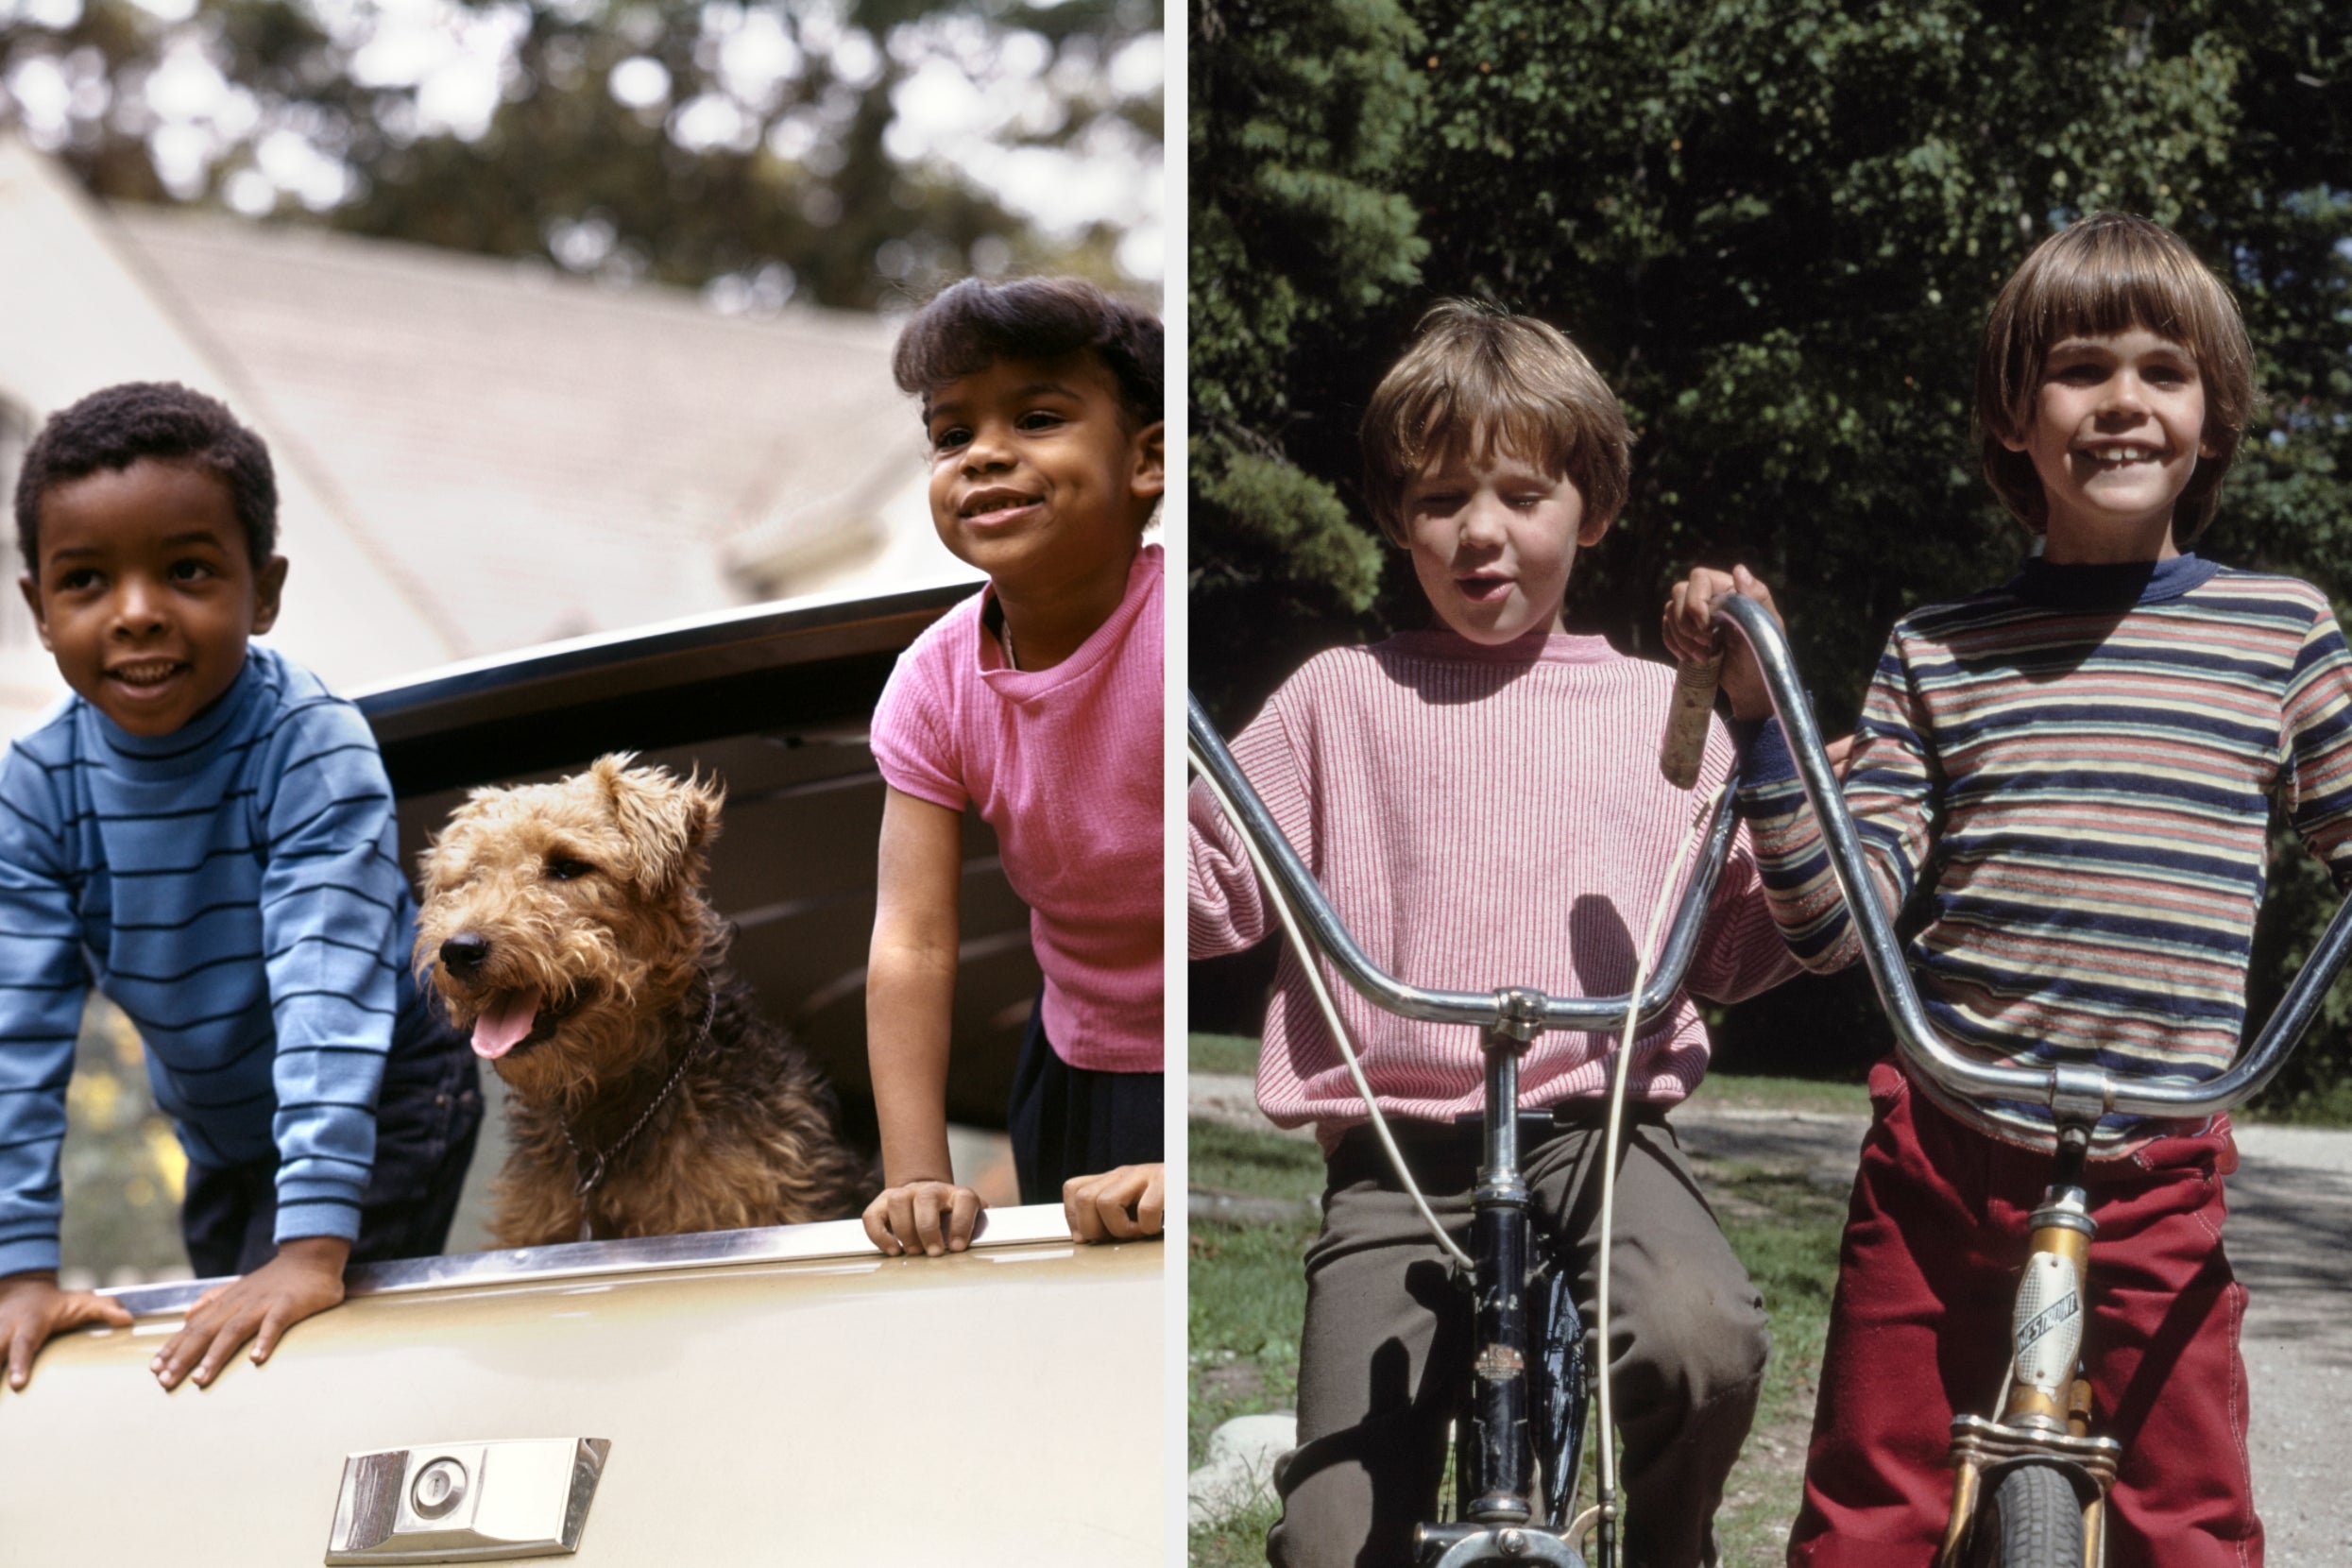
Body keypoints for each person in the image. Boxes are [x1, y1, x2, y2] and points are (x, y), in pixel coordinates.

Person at [1662, 212, 2352, 1567]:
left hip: (2156, 1160)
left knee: (2192, 1521)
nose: (2121, 403)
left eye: (2163, 371)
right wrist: (1761, 725)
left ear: (2211, 419)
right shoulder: (1940, 650)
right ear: (2011, 419)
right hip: (1945, 1153)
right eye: (2079, 369)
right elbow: (1826, 917)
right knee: (1866, 1508)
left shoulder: (2279, 632)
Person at [1190, 301, 1798, 1568]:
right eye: (1437, 498)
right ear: (1392, 516)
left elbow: (1737, 946)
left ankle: (1664, 1546)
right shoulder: (1333, 700)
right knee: (1328, 1539)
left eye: (1523, 494)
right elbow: (1207, 885)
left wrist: (1785, 764)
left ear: (1593, 506)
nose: (1480, 533)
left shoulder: (1663, 716)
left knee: (1698, 1338)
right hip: (1395, 1154)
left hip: (1595, 1130)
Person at [0, 383, 481, 1396]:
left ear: (262, 590)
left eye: (186, 570)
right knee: (215, 1342)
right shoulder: (39, 788)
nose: (136, 614)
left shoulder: (307, 745)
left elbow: (327, 989)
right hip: (221, 1133)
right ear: (39, 608)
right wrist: (20, 1271)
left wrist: (311, 1245)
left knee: (272, 1359)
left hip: (385, 1088)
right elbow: (19, 1028)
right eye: (87, 580)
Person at [859, 277, 1166, 1258]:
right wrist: (914, 1176)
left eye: (1037, 418)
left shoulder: (1178, 640)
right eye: (952, 436)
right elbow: (911, 941)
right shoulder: (933, 683)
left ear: (1148, 459)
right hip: (1073, 1057)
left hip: (1196, 1057)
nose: (985, 453)